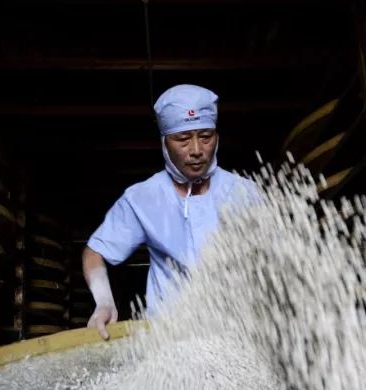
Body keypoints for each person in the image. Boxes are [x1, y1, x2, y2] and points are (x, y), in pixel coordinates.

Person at [83, 84, 257, 339]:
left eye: (205, 137)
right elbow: (95, 252)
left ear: (217, 138)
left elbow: (277, 256)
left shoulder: (245, 193)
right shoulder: (143, 198)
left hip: (237, 334)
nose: (196, 150)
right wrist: (104, 302)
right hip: (169, 338)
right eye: (183, 139)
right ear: (165, 142)